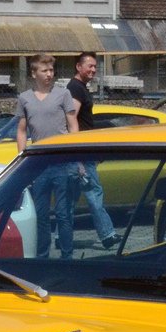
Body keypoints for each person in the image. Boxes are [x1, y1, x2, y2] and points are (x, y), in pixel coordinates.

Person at [13, 53, 79, 257]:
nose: (49, 74)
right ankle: (42, 257)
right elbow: (22, 130)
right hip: (38, 164)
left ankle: (67, 257)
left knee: (63, 214)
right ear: (34, 73)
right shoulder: (25, 98)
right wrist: (22, 158)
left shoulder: (63, 94)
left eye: (51, 70)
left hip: (61, 161)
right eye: (44, 70)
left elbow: (72, 124)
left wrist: (76, 154)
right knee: (41, 215)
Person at [63, 52, 118, 246]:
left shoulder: (80, 88)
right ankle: (108, 235)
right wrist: (77, 154)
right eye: (90, 66)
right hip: (80, 151)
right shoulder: (75, 89)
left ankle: (63, 239)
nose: (93, 70)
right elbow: (71, 118)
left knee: (70, 198)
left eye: (95, 66)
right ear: (79, 67)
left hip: (82, 151)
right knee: (93, 192)